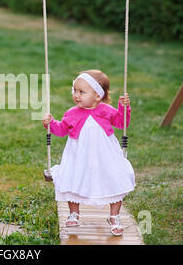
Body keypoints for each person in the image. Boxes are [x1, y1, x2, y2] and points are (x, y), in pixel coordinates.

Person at [42, 69, 135, 236]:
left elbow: (122, 123)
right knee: (72, 178)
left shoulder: (106, 110)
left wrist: (124, 108)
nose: (76, 95)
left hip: (105, 155)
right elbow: (62, 129)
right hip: (79, 156)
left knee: (115, 179)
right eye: (75, 91)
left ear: (97, 95)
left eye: (81, 92)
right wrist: (50, 124)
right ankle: (74, 213)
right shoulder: (72, 113)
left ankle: (114, 217)